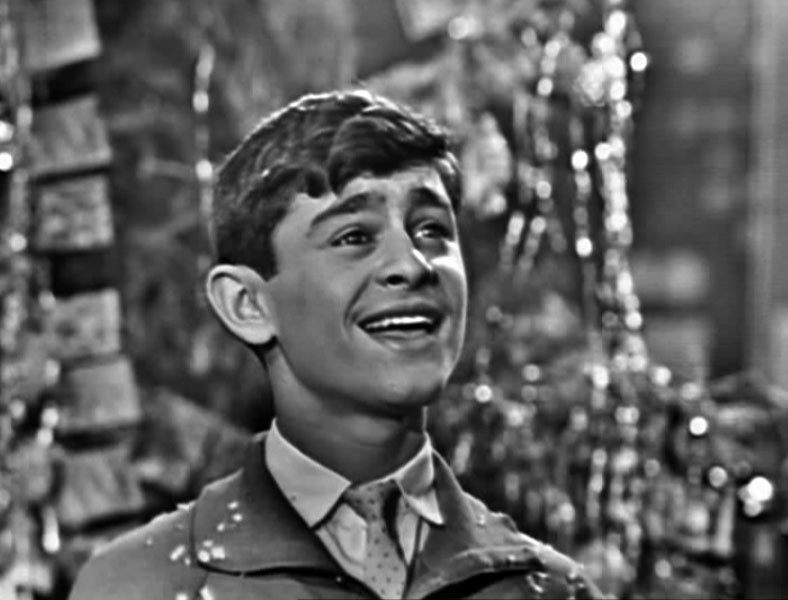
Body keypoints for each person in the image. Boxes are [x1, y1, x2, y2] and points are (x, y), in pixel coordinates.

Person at [68, 90, 603, 600]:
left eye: (431, 230)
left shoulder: (552, 591)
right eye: (354, 237)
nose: (412, 264)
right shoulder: (143, 587)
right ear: (248, 304)